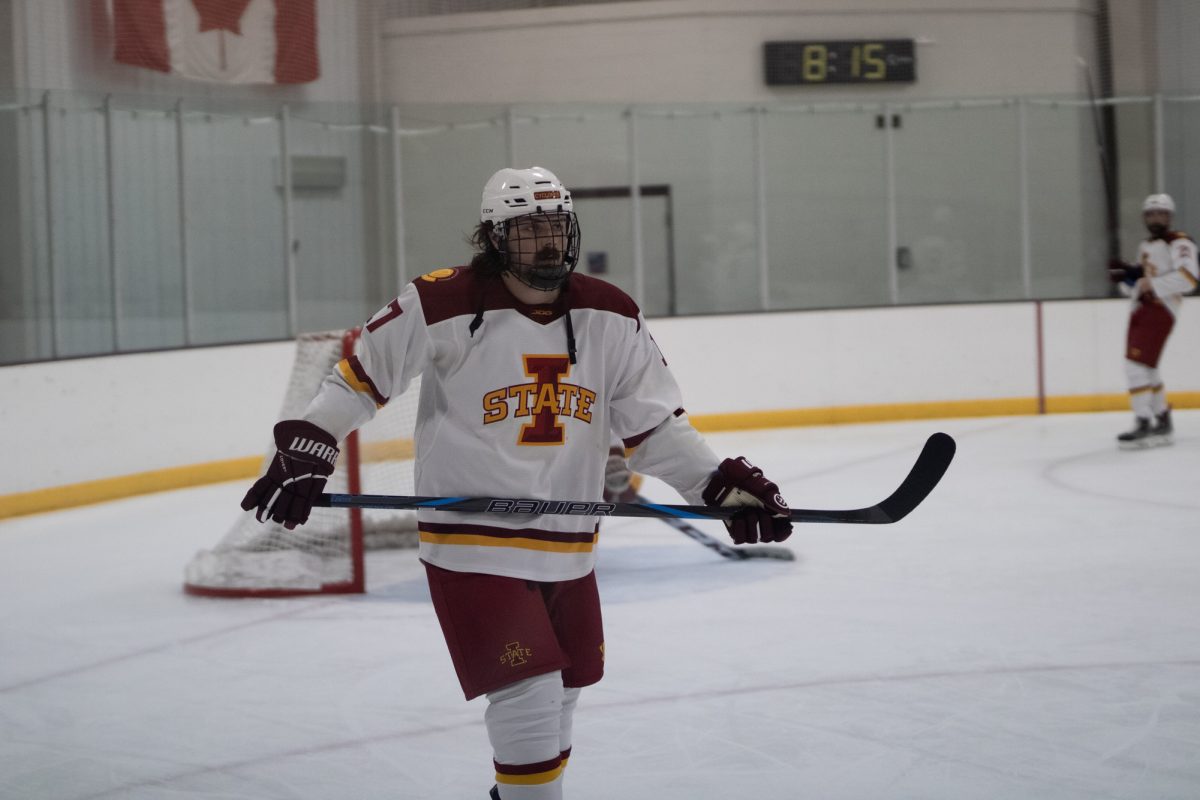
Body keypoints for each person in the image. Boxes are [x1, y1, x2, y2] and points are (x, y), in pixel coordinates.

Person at [240, 166, 793, 800]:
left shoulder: (610, 312)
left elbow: (655, 427)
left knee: (568, 687)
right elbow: (356, 382)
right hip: (471, 541)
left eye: (556, 226)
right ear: (494, 237)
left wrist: (716, 486)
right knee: (528, 696)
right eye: (529, 229)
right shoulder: (440, 300)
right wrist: (312, 441)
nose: (548, 242)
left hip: (567, 541)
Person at [1108, 193, 1198, 449]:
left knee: (1134, 366)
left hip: (1161, 309)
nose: (1156, 217)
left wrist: (1151, 283)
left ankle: (1143, 421)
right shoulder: (1146, 246)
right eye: (1151, 213)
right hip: (1142, 309)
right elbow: (1141, 278)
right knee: (1147, 368)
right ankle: (1162, 419)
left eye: (1161, 213)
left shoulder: (1179, 242)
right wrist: (1125, 276)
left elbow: (1189, 278)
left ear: (1169, 216)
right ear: (1145, 218)